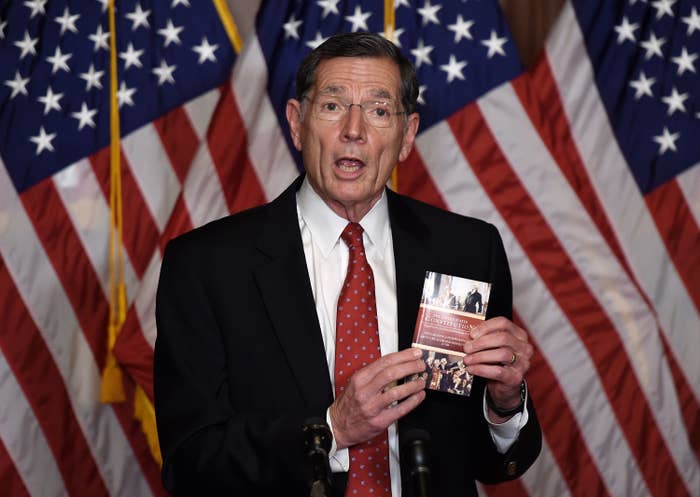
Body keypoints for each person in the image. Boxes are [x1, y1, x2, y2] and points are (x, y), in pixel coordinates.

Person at [154, 32, 541, 497]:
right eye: (333, 106)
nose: (354, 131)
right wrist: (333, 428)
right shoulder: (207, 266)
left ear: (407, 136)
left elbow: (485, 462)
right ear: (297, 124)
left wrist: (504, 402)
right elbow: (191, 463)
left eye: (379, 111)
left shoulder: (467, 251)